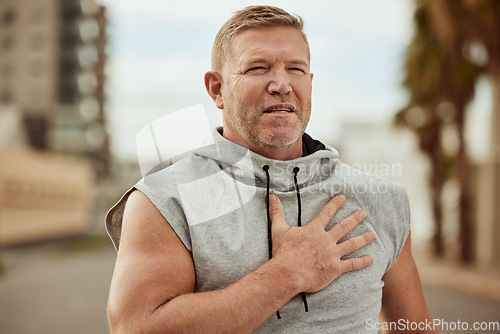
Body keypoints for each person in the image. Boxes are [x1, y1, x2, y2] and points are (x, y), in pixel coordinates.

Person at [106, 5, 438, 333]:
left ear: (310, 82)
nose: (281, 83)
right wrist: (287, 273)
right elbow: (136, 327)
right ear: (217, 89)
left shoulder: (383, 200)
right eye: (257, 68)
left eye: (295, 69)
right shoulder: (163, 199)